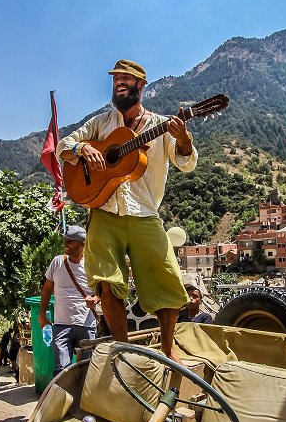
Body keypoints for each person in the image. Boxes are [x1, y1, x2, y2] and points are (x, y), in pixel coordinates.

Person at [58, 59, 197, 361]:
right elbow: (63, 146)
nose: (118, 82)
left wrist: (184, 138)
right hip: (104, 210)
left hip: (145, 213)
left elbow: (185, 161)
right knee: (106, 283)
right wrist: (83, 148)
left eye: (126, 78)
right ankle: (123, 348)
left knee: (166, 278)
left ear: (141, 85)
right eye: (115, 78)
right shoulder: (101, 123)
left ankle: (168, 348)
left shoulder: (161, 126)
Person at [38, 225, 98, 376]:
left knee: (86, 370)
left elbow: (103, 290)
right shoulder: (57, 262)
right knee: (61, 372)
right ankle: (65, 399)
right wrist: (42, 315)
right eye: (65, 240)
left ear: (82, 244)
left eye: (70, 241)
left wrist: (96, 299)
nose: (66, 244)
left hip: (85, 325)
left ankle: (81, 399)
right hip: (61, 325)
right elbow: (46, 289)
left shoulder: (93, 265)